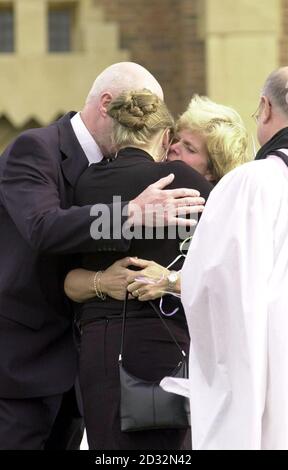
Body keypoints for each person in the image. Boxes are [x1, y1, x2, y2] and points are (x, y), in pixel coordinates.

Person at [0, 62, 205, 450]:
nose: (143, 122)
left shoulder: (110, 168)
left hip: (82, 370)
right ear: (108, 104)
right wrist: (131, 213)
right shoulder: (35, 148)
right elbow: (42, 226)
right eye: (139, 108)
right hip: (21, 367)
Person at [64, 89, 213, 450]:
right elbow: (219, 267)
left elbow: (67, 280)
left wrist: (102, 282)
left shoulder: (84, 184)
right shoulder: (182, 181)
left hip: (98, 347)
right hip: (162, 341)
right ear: (164, 138)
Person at [161, 67, 288, 450]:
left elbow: (217, 292)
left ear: (265, 108)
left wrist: (167, 280)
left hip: (264, 386)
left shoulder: (251, 183)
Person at [125, 95, 250, 300]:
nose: (174, 146)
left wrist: (172, 280)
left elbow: (234, 280)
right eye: (176, 139)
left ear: (212, 171)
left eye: (189, 148)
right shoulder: (141, 188)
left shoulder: (223, 213)